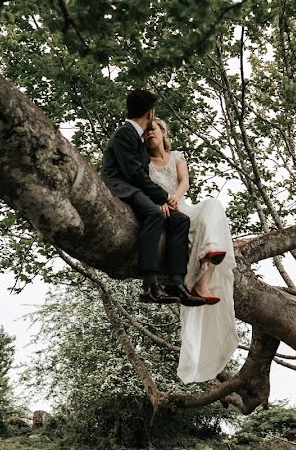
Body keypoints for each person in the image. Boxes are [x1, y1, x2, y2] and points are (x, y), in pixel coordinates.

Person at [145, 117, 240, 383]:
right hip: (162, 216)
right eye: (145, 133)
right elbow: (142, 189)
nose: (148, 134)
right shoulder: (142, 163)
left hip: (182, 208)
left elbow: (184, 181)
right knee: (186, 224)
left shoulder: (176, 156)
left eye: (153, 130)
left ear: (164, 133)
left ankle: (205, 277)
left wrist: (174, 196)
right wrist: (160, 202)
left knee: (212, 205)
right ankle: (199, 279)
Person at [100, 90, 205, 307]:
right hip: (120, 187)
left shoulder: (135, 136)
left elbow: (142, 176)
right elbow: (134, 175)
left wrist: (159, 199)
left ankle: (176, 282)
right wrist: (163, 198)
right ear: (150, 113)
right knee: (155, 215)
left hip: (135, 188)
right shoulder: (124, 133)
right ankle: (149, 285)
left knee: (180, 220)